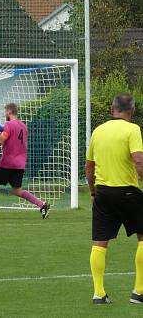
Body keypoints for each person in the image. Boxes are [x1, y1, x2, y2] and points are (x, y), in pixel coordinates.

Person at [85, 93, 143, 305]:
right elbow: (138, 161)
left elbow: (89, 167)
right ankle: (139, 292)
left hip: (102, 193)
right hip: (127, 192)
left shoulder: (98, 131)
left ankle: (99, 294)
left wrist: (93, 192)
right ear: (133, 111)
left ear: (112, 109)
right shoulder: (133, 129)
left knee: (99, 243)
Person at [0, 103, 50, 220]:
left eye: (5, 112)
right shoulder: (24, 126)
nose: (4, 115)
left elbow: (1, 141)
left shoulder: (9, 125)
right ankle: (41, 205)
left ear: (9, 112)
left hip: (7, 163)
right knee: (17, 190)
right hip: (20, 164)